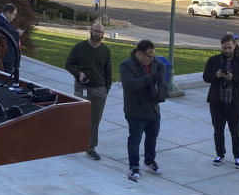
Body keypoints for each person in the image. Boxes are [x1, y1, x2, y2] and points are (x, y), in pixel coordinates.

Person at [120, 39, 167, 181]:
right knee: (135, 140)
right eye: (149, 56)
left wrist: (161, 93)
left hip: (153, 110)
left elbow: (162, 77)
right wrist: (149, 79)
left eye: (153, 56)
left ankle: (149, 160)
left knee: (152, 138)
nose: (152, 59)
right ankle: (134, 166)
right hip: (135, 111)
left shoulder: (155, 63)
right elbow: (129, 85)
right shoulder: (127, 65)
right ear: (139, 53)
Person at [65, 20, 112, 160]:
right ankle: (69, 142)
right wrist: (78, 73)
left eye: (100, 32)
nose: (97, 34)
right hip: (82, 87)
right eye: (95, 31)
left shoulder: (105, 51)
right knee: (78, 115)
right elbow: (68, 64)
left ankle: (90, 147)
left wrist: (106, 89)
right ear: (91, 31)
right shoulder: (80, 47)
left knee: (94, 121)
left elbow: (108, 72)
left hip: (99, 90)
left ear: (103, 34)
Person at [203, 33, 239, 167]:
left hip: (234, 103)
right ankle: (220, 154)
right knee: (218, 130)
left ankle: (238, 156)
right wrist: (216, 75)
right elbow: (206, 77)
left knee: (235, 131)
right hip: (217, 103)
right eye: (224, 48)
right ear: (221, 47)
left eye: (229, 47)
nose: (227, 51)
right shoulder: (214, 60)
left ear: (234, 46)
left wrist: (233, 78)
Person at [0, 3, 22, 74]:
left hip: (9, 57)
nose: (14, 17)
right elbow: (7, 38)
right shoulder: (1, 22)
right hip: (6, 58)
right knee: (5, 77)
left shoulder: (3, 21)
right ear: (8, 13)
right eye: (14, 15)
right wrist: (18, 34)